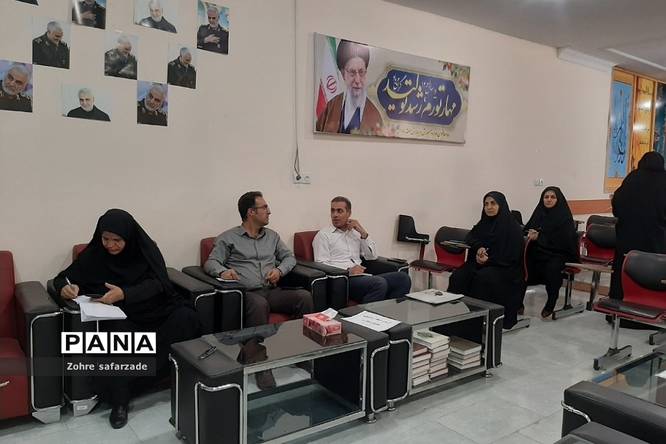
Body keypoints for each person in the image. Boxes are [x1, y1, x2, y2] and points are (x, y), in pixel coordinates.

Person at [52, 209, 200, 429]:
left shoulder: (145, 250)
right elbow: (62, 278)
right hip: (121, 315)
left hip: (155, 310)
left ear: (129, 238)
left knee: (187, 318)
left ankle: (176, 379)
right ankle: (120, 401)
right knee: (117, 334)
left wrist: (125, 293)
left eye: (117, 240)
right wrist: (65, 288)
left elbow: (159, 283)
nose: (110, 245)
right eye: (105, 239)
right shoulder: (95, 254)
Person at [204, 191, 313, 390]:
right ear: (251, 212)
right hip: (247, 294)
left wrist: (279, 270)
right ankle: (260, 365)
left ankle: (301, 353)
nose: (269, 211)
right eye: (264, 207)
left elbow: (289, 257)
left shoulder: (272, 236)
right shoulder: (228, 238)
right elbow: (211, 262)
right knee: (259, 304)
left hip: (272, 290)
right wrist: (223, 272)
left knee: (304, 297)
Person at [447, 191, 524, 329]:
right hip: (482, 263)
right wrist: (479, 248)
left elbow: (511, 256)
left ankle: (478, 322)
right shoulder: (483, 223)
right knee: (458, 276)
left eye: (493, 203)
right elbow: (470, 237)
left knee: (482, 278)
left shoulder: (513, 228)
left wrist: (487, 260)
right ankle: (455, 318)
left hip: (504, 268)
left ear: (501, 205)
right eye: (486, 204)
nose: (489, 207)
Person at [313, 196, 411, 303]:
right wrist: (348, 271)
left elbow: (372, 256)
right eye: (332, 211)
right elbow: (320, 265)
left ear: (349, 213)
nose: (335, 215)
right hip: (343, 280)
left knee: (403, 278)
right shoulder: (323, 235)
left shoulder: (355, 233)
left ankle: (391, 312)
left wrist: (363, 232)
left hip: (363, 276)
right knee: (379, 283)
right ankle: (364, 313)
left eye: (339, 211)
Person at [610, 151, 666, 300]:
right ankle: (652, 306)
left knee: (625, 269)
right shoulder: (664, 180)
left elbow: (617, 204)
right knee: (653, 273)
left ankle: (618, 304)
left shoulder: (632, 178)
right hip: (655, 239)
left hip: (628, 237)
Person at [523, 186, 579, 318]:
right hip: (538, 251)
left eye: (552, 197)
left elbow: (564, 240)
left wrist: (540, 237)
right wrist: (530, 233)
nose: (548, 200)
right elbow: (527, 228)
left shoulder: (564, 217)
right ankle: (518, 303)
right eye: (546, 197)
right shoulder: (539, 213)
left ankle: (551, 302)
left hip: (558, 253)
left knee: (552, 269)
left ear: (558, 200)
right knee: (522, 265)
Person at [315, 39, 383, 135]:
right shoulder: (331, 107)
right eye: (352, 72)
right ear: (343, 74)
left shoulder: (375, 116)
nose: (357, 80)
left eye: (361, 72)